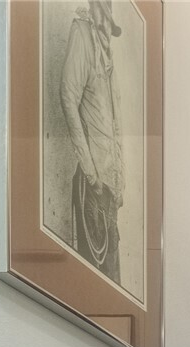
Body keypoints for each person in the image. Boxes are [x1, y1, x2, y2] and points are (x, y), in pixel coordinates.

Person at [60, 0, 124, 283]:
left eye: (109, 20)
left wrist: (120, 184)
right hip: (94, 186)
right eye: (103, 16)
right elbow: (68, 97)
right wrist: (91, 172)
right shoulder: (82, 35)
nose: (105, 25)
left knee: (113, 285)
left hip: (110, 192)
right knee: (93, 284)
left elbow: (115, 127)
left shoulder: (108, 59)